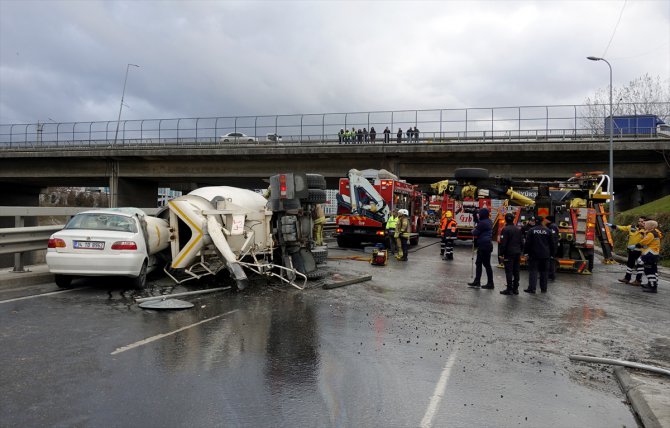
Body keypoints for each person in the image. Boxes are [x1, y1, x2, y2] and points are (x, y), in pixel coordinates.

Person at [608, 216, 647, 285]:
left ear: (645, 222)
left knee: (640, 265)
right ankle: (627, 278)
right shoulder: (632, 227)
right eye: (639, 221)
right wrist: (613, 225)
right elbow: (623, 227)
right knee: (629, 264)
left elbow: (646, 241)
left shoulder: (646, 230)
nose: (640, 223)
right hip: (631, 250)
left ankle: (638, 280)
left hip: (640, 251)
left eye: (642, 221)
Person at [523, 216, 556, 294]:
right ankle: (543, 289)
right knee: (544, 272)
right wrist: (552, 254)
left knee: (533, 272)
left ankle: (532, 288)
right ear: (542, 221)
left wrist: (525, 253)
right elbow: (552, 244)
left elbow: (527, 243)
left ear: (535, 221)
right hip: (545, 255)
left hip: (534, 255)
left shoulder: (531, 230)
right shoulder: (548, 231)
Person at [468, 207, 494, 289]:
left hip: (484, 245)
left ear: (482, 214)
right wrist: (476, 217)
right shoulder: (488, 221)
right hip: (487, 245)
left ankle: (489, 283)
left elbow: (475, 232)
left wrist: (472, 231)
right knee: (480, 263)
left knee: (485, 264)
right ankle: (478, 281)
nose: (478, 214)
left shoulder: (482, 223)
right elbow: (480, 223)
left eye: (480, 213)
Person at [635, 220, 663, 293]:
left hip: (650, 254)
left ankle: (653, 287)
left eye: (646, 224)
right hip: (654, 254)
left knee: (649, 270)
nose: (644, 225)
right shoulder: (655, 232)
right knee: (653, 270)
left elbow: (644, 242)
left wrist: (637, 245)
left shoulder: (651, 234)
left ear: (651, 226)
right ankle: (651, 284)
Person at [499, 213, 523, 295]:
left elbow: (503, 243)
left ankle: (509, 289)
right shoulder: (518, 229)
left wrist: (501, 254)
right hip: (517, 252)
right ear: (513, 219)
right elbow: (522, 242)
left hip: (509, 253)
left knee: (509, 271)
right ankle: (515, 289)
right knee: (516, 271)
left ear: (505, 219)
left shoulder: (505, 229)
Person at [543, 216, 560, 281]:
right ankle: (550, 275)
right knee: (550, 261)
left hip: (552, 247)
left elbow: (553, 238)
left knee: (550, 261)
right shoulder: (552, 225)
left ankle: (551, 275)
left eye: (546, 219)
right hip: (552, 247)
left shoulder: (552, 226)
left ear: (549, 220)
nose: (545, 220)